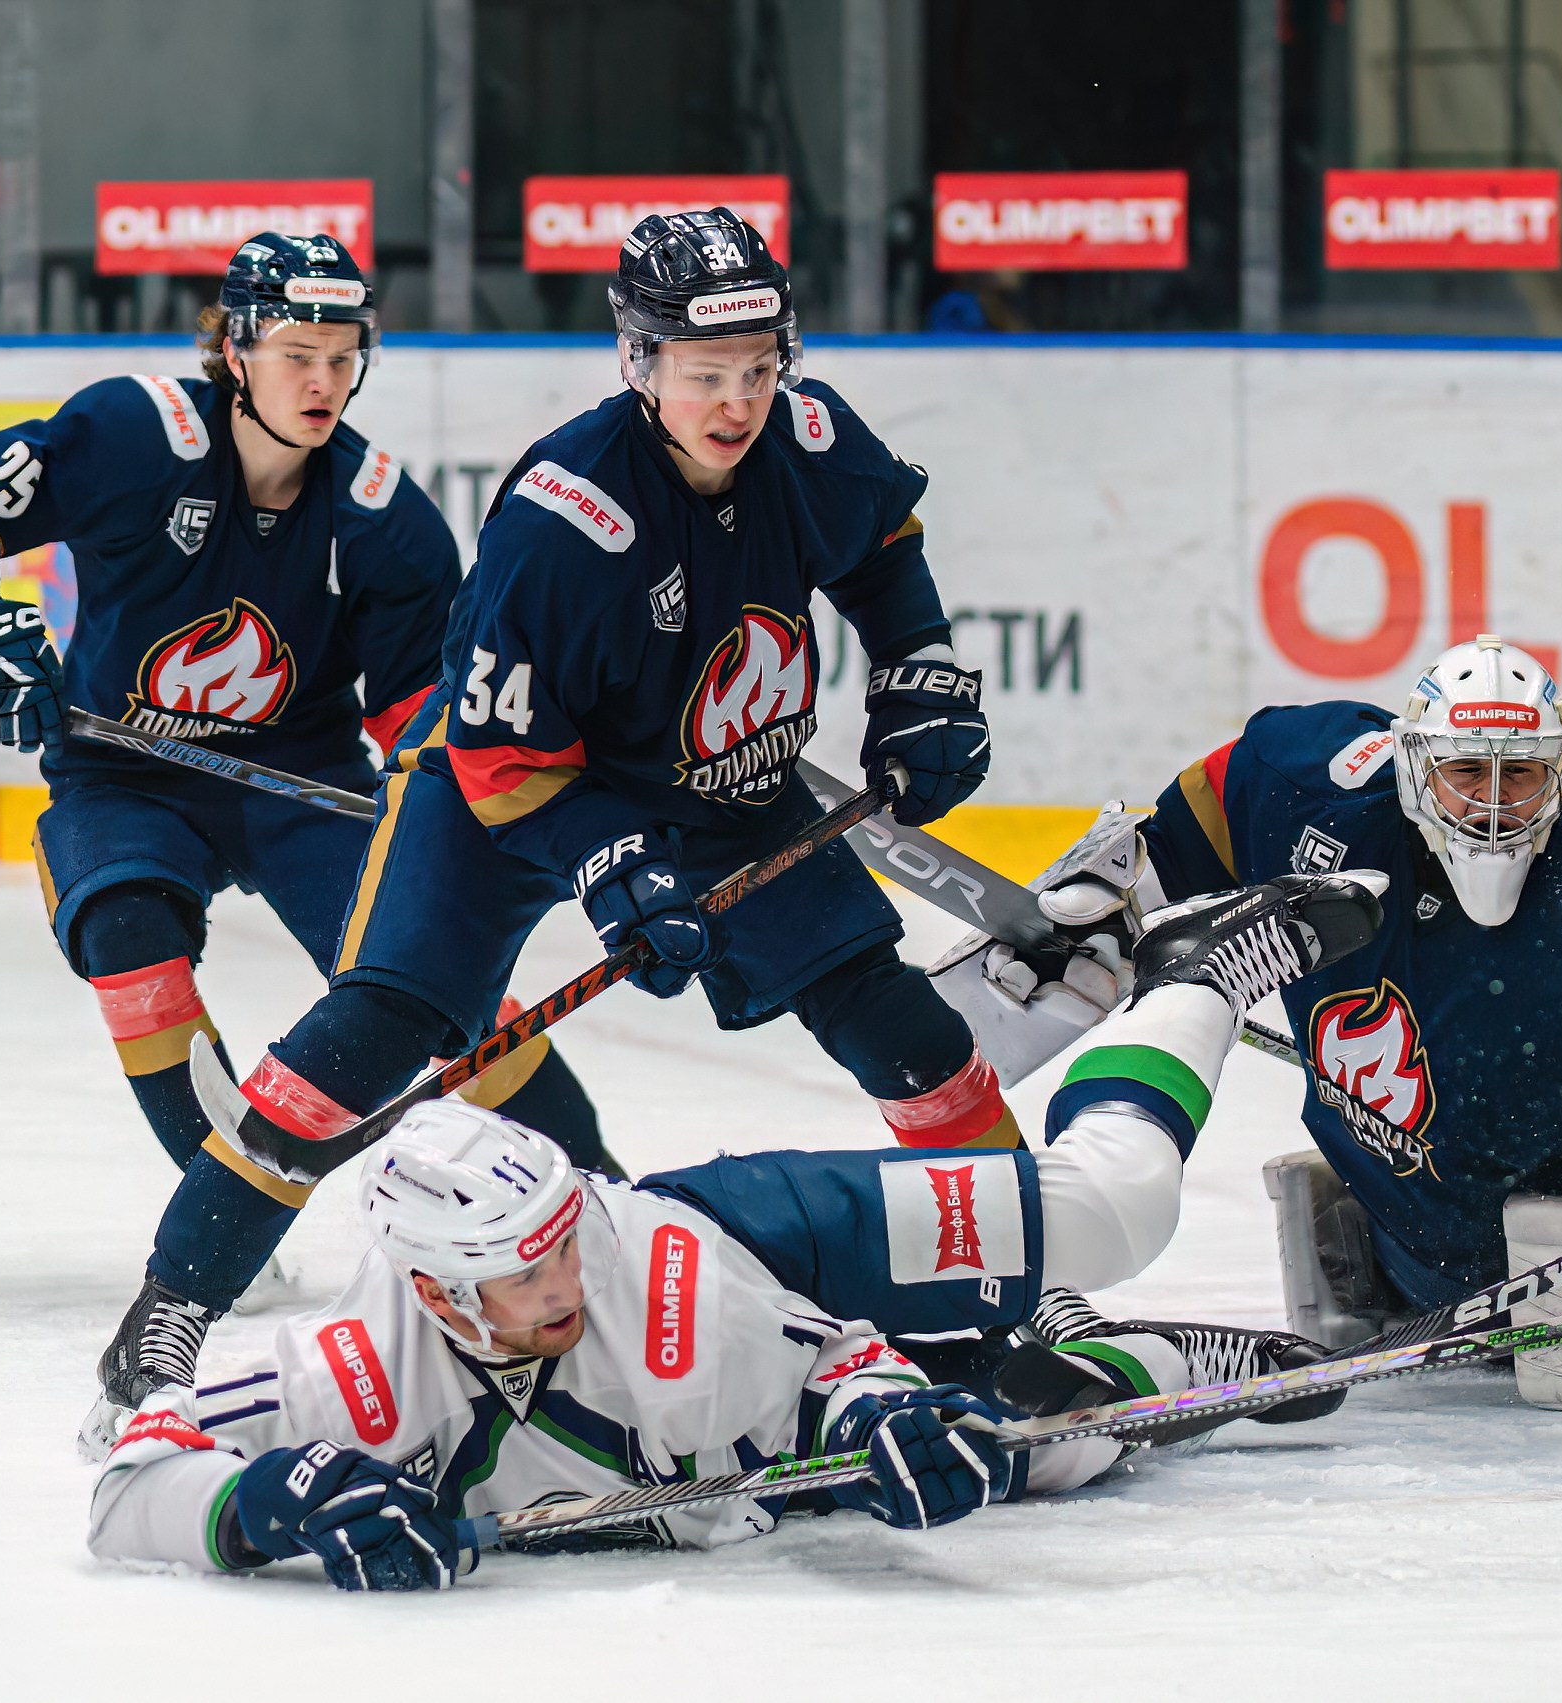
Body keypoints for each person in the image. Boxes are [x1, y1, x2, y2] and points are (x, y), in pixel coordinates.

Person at [159, 205, 1029, 1420]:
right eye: (705, 374)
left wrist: (917, 667)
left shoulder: (813, 435)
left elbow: (879, 547)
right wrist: (609, 861)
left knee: (902, 1028)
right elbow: (502, 759)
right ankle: (168, 1315)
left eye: (759, 369)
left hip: (723, 788)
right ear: (640, 363)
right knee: (372, 1034)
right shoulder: (565, 520)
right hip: (496, 791)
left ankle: (1030, 1292)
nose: (739, 401)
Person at [85, 873, 1385, 1589]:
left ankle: (1194, 974)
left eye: (557, 1232)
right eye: (521, 1264)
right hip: (736, 1364)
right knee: (1040, 1439)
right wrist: (261, 1499)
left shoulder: (647, 1277)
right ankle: (1152, 1361)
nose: (559, 1271)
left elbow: (829, 1358)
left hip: (764, 1234)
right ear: (434, 1292)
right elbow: (130, 1478)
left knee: (1112, 1208)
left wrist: (872, 1411)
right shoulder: (353, 1368)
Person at [0, 234, 605, 1431]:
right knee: (128, 935)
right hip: (122, 769)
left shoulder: (382, 518)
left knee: (441, 984)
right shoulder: (129, 433)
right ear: (235, 347)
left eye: (342, 355)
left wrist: (471, 800)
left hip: (301, 783)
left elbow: (415, 714)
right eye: (295, 353)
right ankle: (219, 1205)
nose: (321, 381)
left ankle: (598, 1185)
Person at [972, 636, 1562, 1405]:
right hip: (1403, 1243)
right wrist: (1113, 892)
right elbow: (1206, 810)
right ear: (1411, 761)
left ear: (1556, 774)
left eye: (1518, 774)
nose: (1489, 804)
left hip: (1525, 1288)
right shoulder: (1314, 781)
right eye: (1463, 773)